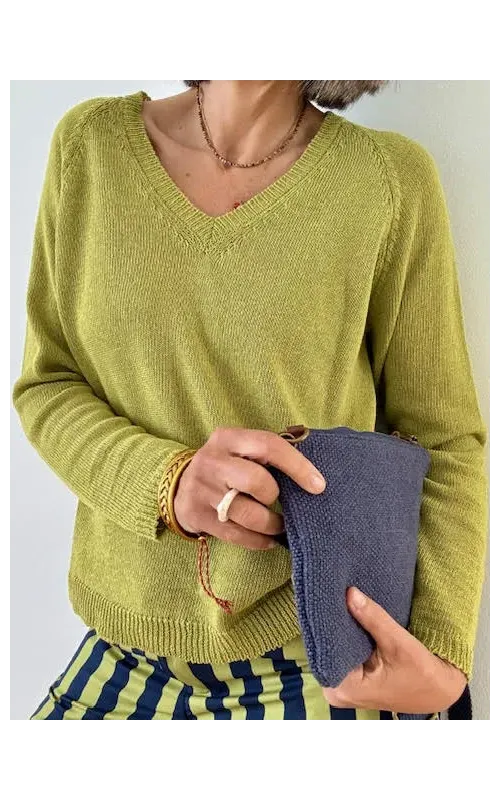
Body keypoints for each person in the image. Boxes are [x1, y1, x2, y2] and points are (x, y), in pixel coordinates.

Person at [13, 80, 488, 720]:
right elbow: (48, 383)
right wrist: (165, 481)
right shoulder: (90, 148)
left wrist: (441, 656)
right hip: (125, 648)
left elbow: (442, 437)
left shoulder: (387, 182)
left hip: (322, 658)